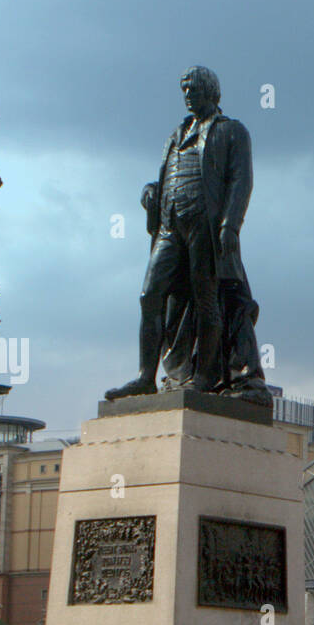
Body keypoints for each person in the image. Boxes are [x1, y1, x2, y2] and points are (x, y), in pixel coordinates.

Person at [106, 66, 270, 405]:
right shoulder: (175, 135)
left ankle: (205, 376)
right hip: (170, 225)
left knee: (206, 298)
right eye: (184, 89)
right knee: (149, 294)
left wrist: (230, 225)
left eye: (193, 88)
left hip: (205, 225)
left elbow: (241, 181)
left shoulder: (231, 131)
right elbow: (166, 177)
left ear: (211, 91)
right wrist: (149, 191)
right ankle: (144, 377)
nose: (188, 95)